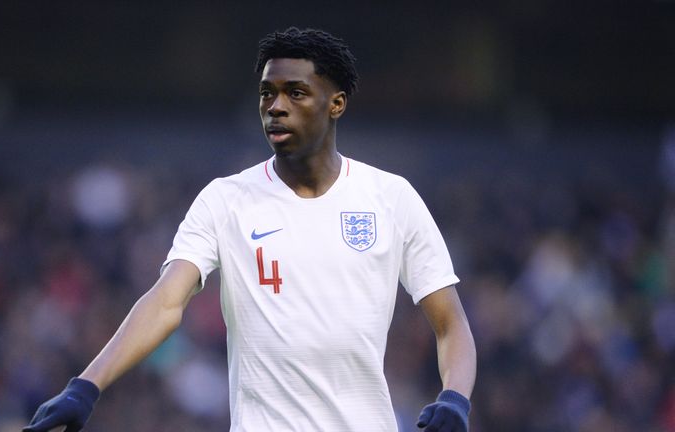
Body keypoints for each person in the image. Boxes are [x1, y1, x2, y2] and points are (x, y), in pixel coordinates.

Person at [24, 27, 476, 432]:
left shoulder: (390, 198)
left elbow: (450, 323)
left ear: (336, 103)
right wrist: (86, 385)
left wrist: (455, 399)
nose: (276, 107)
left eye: (295, 93)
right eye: (267, 93)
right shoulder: (226, 200)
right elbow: (165, 302)